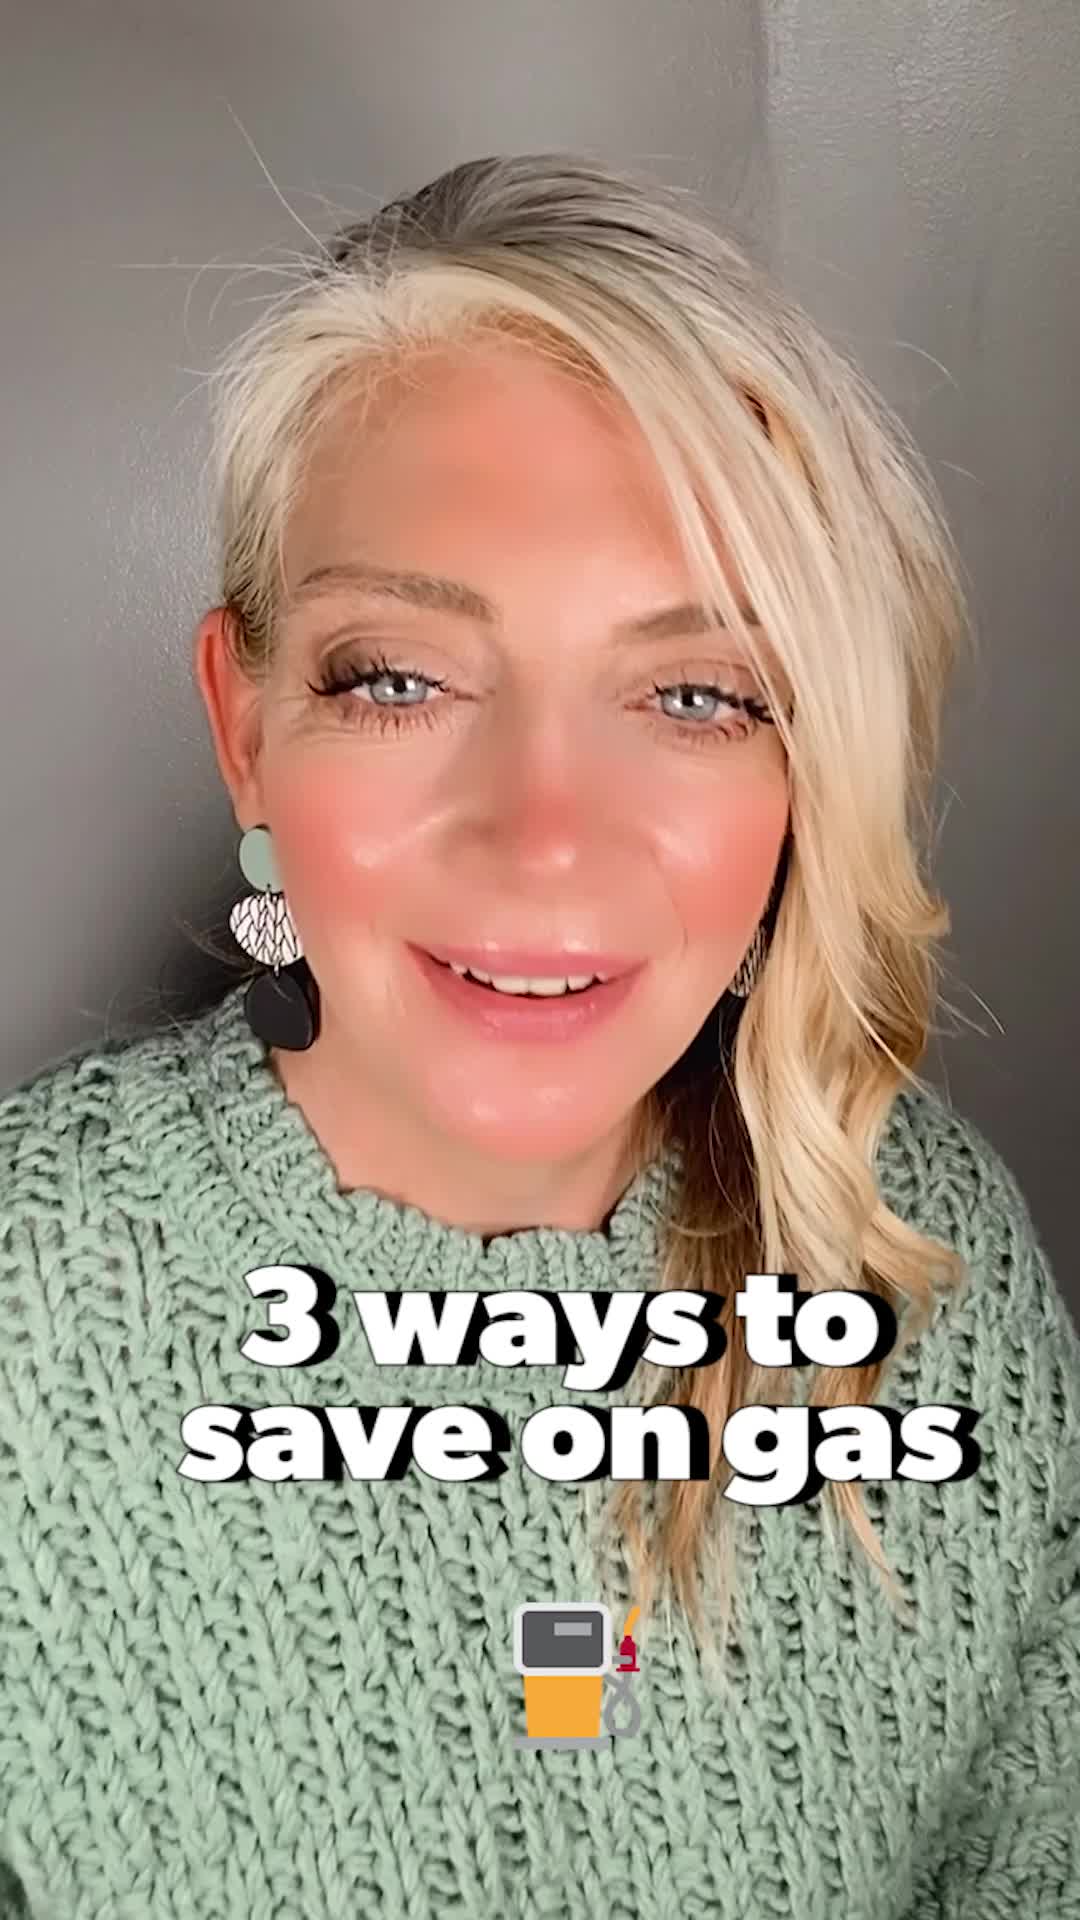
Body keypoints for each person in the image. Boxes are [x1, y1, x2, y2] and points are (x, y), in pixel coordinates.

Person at [0, 150, 1077, 1919]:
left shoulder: (925, 1264)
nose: (544, 837)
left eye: (696, 694)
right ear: (247, 733)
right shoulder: (28, 1308)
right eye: (399, 677)